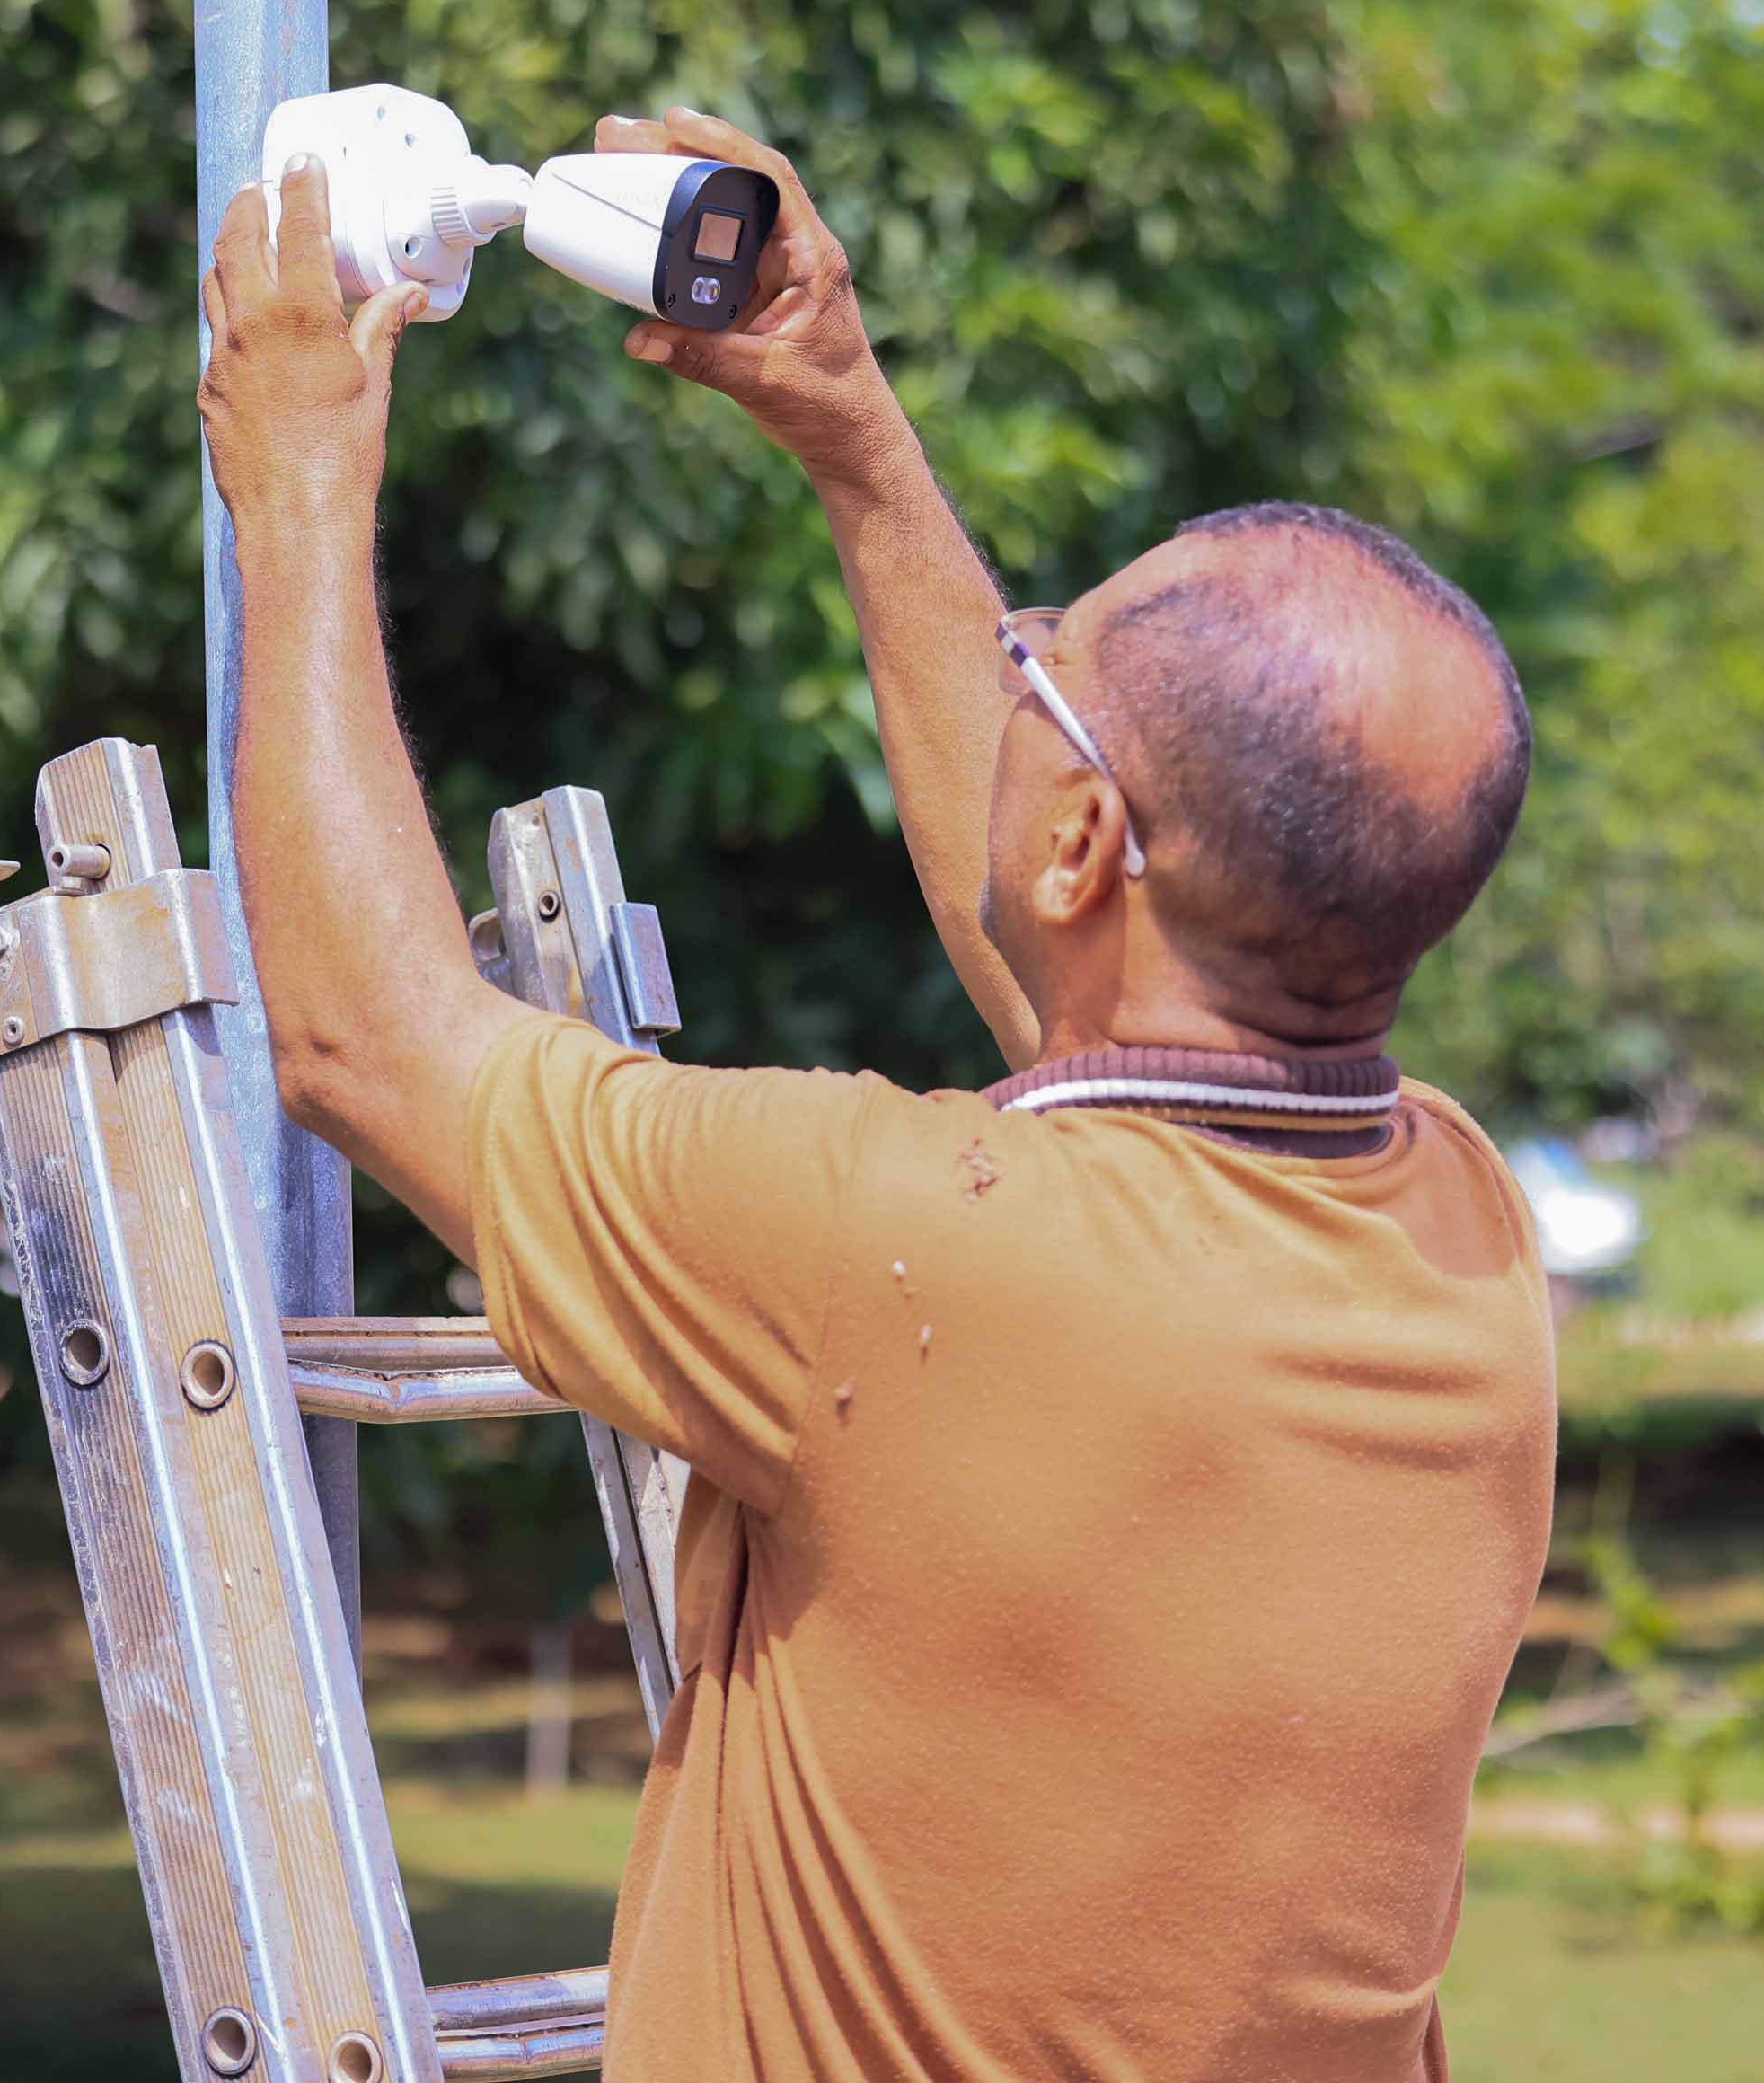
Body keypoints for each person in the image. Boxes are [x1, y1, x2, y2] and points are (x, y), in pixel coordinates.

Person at [198, 109, 1557, 2083]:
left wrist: (298, 485)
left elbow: (364, 1036)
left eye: (1040, 671)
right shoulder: (1459, 1236)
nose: (1005, 659)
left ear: (1090, 836)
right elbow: (1065, 978)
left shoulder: (894, 1254)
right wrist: (852, 431)